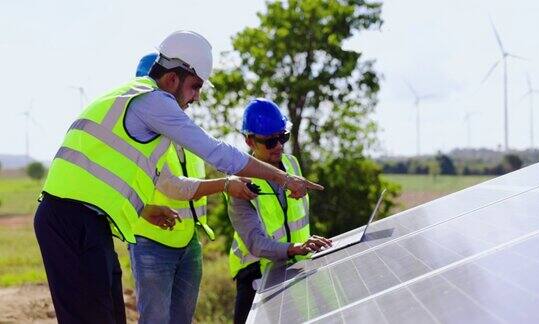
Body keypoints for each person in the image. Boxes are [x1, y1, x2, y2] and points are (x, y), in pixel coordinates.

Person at [34, 30, 323, 324]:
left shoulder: (137, 103)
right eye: (195, 86)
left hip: (86, 221)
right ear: (173, 79)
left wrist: (144, 208)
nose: (197, 97)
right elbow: (220, 154)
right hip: (70, 221)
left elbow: (130, 179)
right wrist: (283, 178)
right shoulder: (154, 102)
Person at [129, 53, 257, 324]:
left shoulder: (182, 129)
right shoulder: (144, 138)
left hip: (188, 241)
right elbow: (174, 187)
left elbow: (210, 160)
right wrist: (225, 184)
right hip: (152, 243)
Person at [227, 99, 332, 324]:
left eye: (283, 137)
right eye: (270, 141)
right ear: (249, 140)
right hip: (256, 276)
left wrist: (303, 244)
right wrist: (294, 248)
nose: (278, 146)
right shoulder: (240, 183)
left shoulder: (292, 165)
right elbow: (256, 243)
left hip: (294, 265)